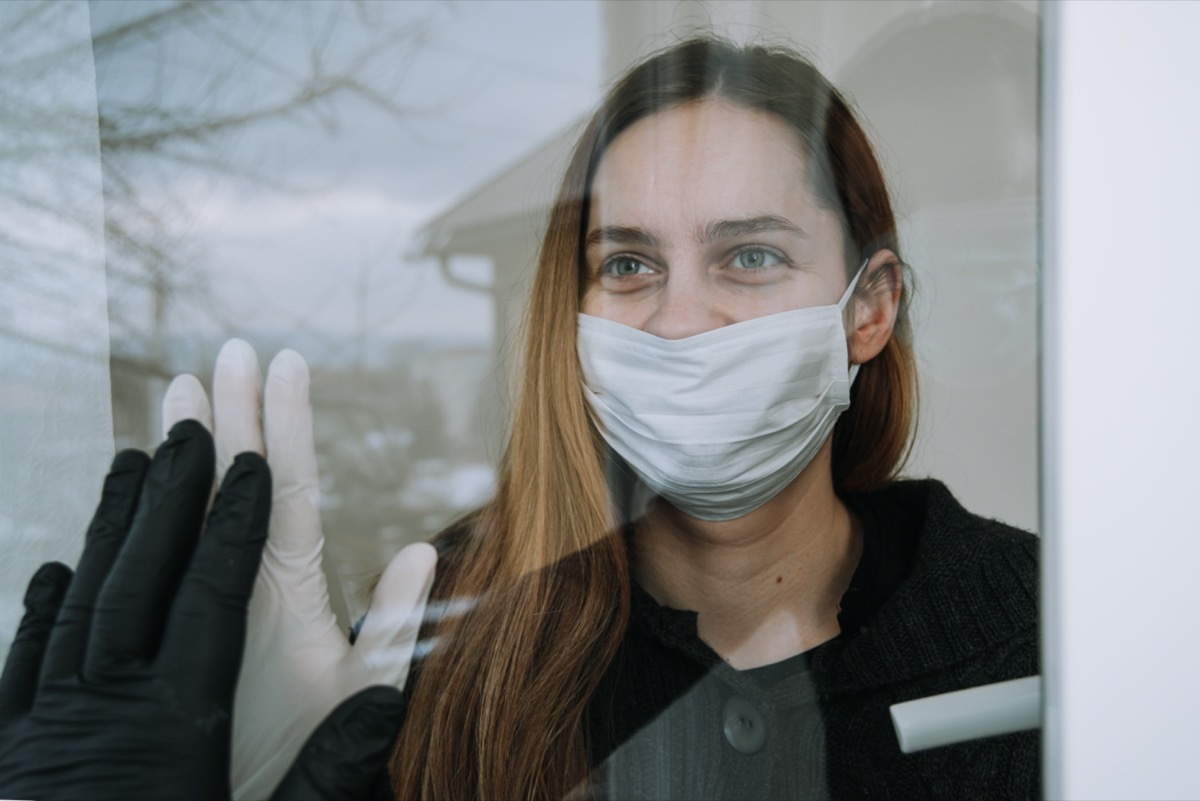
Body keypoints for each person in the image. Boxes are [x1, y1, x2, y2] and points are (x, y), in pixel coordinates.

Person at [0, 35, 1039, 800]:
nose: (680, 320)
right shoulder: (431, 652)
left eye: (750, 256)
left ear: (868, 307)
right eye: (628, 264)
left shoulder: (1045, 632)